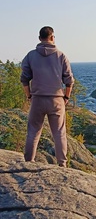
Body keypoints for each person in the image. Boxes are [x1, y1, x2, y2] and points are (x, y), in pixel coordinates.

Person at [20, 26, 74, 167]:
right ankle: (62, 165)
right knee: (59, 133)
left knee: (33, 131)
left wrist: (29, 96)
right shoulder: (61, 56)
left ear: (39, 38)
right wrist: (66, 98)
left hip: (37, 99)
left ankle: (29, 163)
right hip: (56, 100)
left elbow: (24, 79)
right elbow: (69, 81)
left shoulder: (30, 56)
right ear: (52, 37)